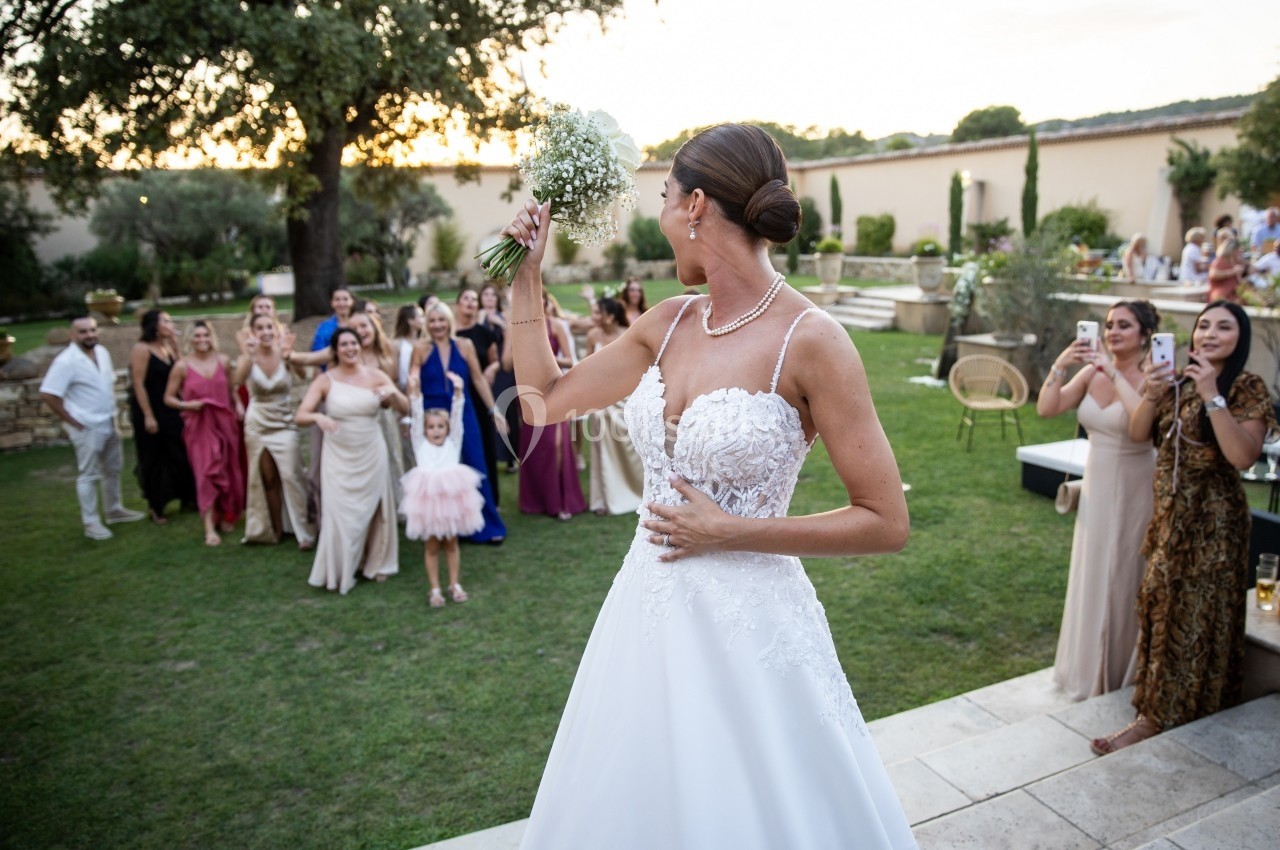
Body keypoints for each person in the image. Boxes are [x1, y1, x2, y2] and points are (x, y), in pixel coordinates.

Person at [502, 123, 916, 849]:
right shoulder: (666, 323)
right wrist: (526, 275)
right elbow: (540, 398)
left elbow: (886, 520)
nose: (659, 217)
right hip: (645, 618)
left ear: (695, 206)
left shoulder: (811, 340)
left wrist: (735, 531)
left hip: (752, 635)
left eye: (663, 198)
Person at [1092, 301, 1274, 755]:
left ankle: (1163, 717)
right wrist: (1153, 392)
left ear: (1240, 338)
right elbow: (1139, 435)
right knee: (1161, 611)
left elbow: (1241, 456)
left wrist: (1213, 394)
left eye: (1224, 327)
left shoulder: (1245, 387)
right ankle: (1157, 708)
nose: (1210, 333)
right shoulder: (1174, 381)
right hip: (1170, 521)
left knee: (1198, 620)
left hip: (1214, 528)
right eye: (1203, 324)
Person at [1036, 301, 1158, 701]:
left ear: (1144, 334)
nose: (1113, 331)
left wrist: (1111, 369)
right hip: (1097, 484)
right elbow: (1047, 407)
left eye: (1124, 325)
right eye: (1109, 324)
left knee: (1125, 572)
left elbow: (1142, 428)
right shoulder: (1091, 371)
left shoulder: (1153, 376)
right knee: (1091, 569)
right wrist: (1062, 363)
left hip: (1138, 484)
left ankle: (1121, 670)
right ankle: (1084, 669)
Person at [296, 327, 409, 594]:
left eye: (353, 343)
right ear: (335, 350)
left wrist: (391, 394)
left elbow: (406, 407)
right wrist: (318, 417)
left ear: (360, 346)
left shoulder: (376, 375)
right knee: (341, 511)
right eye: (343, 344)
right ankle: (343, 566)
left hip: (371, 448)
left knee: (374, 507)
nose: (349, 348)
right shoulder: (325, 380)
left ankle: (377, 561)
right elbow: (301, 414)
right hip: (338, 454)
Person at [39, 316, 147, 539]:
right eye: (83, 332)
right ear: (73, 335)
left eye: (92, 330)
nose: (89, 335)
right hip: (85, 425)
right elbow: (48, 393)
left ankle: (114, 510)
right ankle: (91, 522)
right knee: (88, 474)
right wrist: (71, 420)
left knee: (112, 469)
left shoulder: (102, 353)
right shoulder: (66, 361)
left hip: (108, 420)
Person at [413, 301, 507, 543]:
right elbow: (413, 382)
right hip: (432, 417)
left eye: (441, 320)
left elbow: (477, 379)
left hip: (463, 413)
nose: (437, 325)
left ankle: (485, 525)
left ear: (449, 321)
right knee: (440, 469)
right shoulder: (421, 349)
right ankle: (447, 527)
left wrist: (494, 410)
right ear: (427, 324)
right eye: (432, 321)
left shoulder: (464, 346)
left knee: (475, 464)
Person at [400, 371, 485, 607]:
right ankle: (435, 588)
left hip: (450, 504)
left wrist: (458, 391)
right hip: (428, 504)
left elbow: (457, 417)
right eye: (431, 427)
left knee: (451, 542)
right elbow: (416, 417)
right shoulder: (420, 443)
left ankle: (454, 583)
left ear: (447, 428)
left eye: (440, 426)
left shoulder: (453, 441)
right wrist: (415, 392)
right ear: (424, 430)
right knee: (432, 545)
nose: (436, 430)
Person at [235, 314, 316, 549]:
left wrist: (291, 355)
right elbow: (238, 381)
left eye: (269, 327)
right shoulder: (248, 356)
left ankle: (305, 532)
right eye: (259, 328)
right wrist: (248, 356)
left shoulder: (284, 352)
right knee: (267, 478)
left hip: (284, 421)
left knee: (292, 475)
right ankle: (275, 529)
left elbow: (302, 375)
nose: (265, 332)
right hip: (258, 422)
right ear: (253, 332)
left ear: (276, 329)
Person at [163, 321, 246, 546]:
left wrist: (238, 405)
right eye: (197, 336)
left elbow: (231, 390)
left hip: (225, 422)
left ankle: (228, 513)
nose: (202, 340)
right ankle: (209, 526)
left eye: (205, 335)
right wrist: (187, 405)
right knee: (205, 472)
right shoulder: (182, 366)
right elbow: (168, 398)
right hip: (199, 425)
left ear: (212, 337)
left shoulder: (223, 361)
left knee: (228, 468)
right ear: (190, 339)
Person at [508, 289, 586, 521]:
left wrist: (545, 360)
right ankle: (538, 499)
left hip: (553, 389)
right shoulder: (523, 327)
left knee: (556, 444)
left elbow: (570, 360)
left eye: (542, 301)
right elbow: (512, 361)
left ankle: (561, 500)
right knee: (535, 447)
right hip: (529, 392)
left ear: (548, 304)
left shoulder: (557, 326)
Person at [127, 309, 196, 524]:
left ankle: (187, 498)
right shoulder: (142, 349)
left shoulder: (167, 347)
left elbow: (183, 370)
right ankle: (156, 506)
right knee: (154, 458)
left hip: (170, 408)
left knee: (181, 452)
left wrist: (175, 346)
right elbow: (138, 383)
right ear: (154, 325)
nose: (170, 323)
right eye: (165, 320)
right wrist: (148, 416)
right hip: (150, 409)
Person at [583, 294, 644, 515]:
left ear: (610, 316)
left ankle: (638, 490)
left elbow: (635, 366)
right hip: (601, 399)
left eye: (599, 312)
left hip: (625, 395)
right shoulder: (593, 335)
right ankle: (604, 499)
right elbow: (586, 367)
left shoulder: (625, 335)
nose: (595, 316)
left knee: (631, 444)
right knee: (602, 445)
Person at [454, 287, 502, 504]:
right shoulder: (450, 334)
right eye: (466, 298)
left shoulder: (484, 333)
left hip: (481, 392)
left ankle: (491, 498)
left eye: (474, 299)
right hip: (457, 395)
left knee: (485, 444)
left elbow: (495, 360)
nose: (471, 302)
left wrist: (492, 369)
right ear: (457, 304)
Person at [480, 283, 521, 473]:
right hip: (482, 369)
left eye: (492, 295)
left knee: (506, 409)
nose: (489, 298)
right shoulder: (477, 318)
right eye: (485, 294)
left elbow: (512, 338)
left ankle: (511, 457)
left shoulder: (504, 317)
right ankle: (492, 454)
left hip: (503, 370)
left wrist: (501, 325)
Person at [310, 287, 355, 355]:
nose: (341, 303)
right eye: (337, 300)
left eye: (345, 299)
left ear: (352, 301)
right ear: (331, 303)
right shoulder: (324, 328)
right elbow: (317, 351)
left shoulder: (358, 324)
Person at [1207, 237, 1244, 303]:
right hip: (1222, 294)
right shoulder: (1220, 260)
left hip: (1234, 293)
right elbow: (1213, 274)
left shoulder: (1236, 261)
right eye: (1237, 250)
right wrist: (1233, 271)